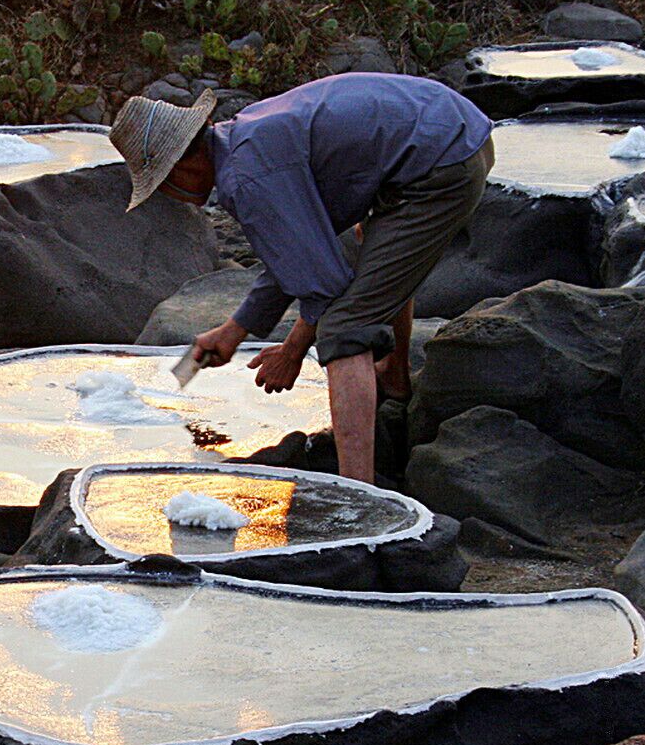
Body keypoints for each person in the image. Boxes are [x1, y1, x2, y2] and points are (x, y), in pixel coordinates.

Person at [109, 73, 494, 483]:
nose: (171, 194)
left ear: (183, 164)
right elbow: (296, 254)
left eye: (164, 183)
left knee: (345, 326)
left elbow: (324, 285)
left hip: (443, 163)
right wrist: (234, 330)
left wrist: (292, 353)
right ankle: (395, 383)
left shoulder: (247, 179)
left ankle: (359, 492)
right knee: (373, 254)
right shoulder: (243, 139)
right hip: (447, 129)